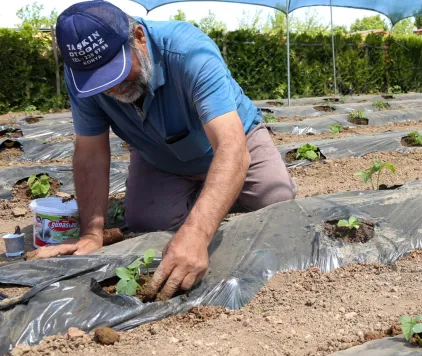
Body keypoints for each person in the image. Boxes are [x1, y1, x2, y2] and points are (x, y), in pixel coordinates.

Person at [30, 0, 297, 300]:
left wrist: (197, 233)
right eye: (98, 81)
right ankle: (207, 198)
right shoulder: (83, 80)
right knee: (148, 223)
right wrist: (92, 234)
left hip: (232, 141)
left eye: (115, 71)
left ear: (139, 37)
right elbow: (90, 153)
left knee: (276, 201)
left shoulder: (190, 52)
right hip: (159, 156)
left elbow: (231, 146)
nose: (111, 87)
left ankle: (214, 198)